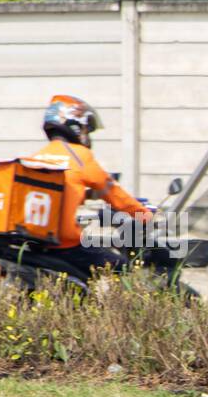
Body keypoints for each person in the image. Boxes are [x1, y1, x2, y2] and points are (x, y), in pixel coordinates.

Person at [25, 95, 152, 279]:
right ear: (76, 125)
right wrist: (146, 215)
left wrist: (85, 196)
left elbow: (56, 194)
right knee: (126, 271)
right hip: (66, 246)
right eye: (86, 128)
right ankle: (115, 307)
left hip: (35, 244)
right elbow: (116, 196)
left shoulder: (35, 158)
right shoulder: (80, 156)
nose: (87, 134)